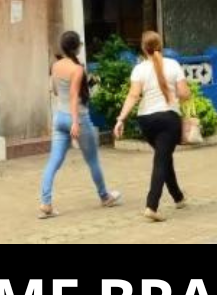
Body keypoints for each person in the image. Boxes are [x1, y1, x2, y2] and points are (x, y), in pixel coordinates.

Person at [38, 31, 121, 219]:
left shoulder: (56, 65)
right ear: (77, 47)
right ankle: (104, 196)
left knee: (53, 161)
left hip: (59, 117)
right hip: (78, 118)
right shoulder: (77, 69)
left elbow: (56, 91)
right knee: (92, 160)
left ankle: (46, 202)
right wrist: (75, 122)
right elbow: (75, 96)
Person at [113, 30, 192, 222]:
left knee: (163, 157)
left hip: (146, 121)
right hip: (168, 119)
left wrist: (120, 119)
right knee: (161, 160)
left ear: (143, 48)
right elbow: (184, 93)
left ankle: (178, 197)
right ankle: (151, 206)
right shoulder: (173, 65)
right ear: (160, 46)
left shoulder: (139, 69)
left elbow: (133, 96)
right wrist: (180, 93)